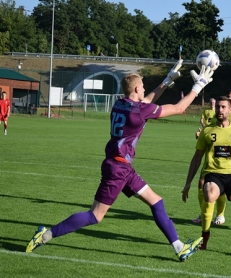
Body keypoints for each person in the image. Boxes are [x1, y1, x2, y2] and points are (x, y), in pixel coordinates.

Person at [26, 61, 215, 262]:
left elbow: (147, 101)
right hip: (118, 168)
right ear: (136, 89)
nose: (144, 89)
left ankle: (179, 248)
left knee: (156, 202)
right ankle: (46, 235)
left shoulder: (120, 103)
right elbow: (178, 108)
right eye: (142, 86)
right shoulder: (140, 111)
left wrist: (166, 81)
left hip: (121, 166)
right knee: (95, 216)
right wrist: (198, 86)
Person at [182, 96, 231, 256]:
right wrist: (188, 183)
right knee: (209, 194)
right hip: (213, 174)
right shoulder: (207, 131)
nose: (220, 110)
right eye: (218, 107)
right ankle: (204, 237)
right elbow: (196, 158)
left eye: (223, 107)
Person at [192, 89, 231, 225]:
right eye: (228, 97)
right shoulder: (218, 115)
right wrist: (201, 136)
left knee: (228, 190)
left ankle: (220, 215)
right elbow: (211, 132)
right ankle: (204, 214)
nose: (230, 99)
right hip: (213, 161)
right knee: (203, 183)